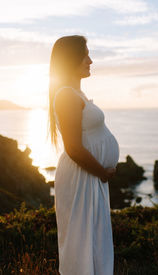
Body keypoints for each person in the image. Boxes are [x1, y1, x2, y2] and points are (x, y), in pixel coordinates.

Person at [47, 35, 120, 275]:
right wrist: (103, 172)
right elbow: (74, 148)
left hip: (89, 176)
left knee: (94, 240)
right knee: (82, 242)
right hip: (83, 176)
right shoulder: (67, 95)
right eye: (85, 54)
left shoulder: (74, 94)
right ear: (71, 60)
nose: (90, 60)